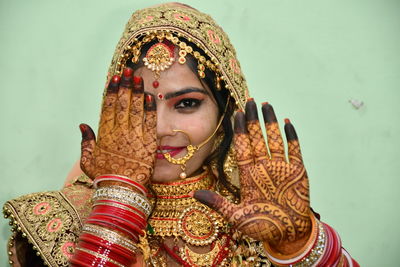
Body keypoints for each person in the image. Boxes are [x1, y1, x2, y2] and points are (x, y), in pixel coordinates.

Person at [3, 3, 359, 267]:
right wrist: (117, 206)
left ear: (225, 114)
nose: (159, 128)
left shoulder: (261, 215)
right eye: (141, 104)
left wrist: (298, 248)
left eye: (186, 104)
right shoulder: (63, 223)